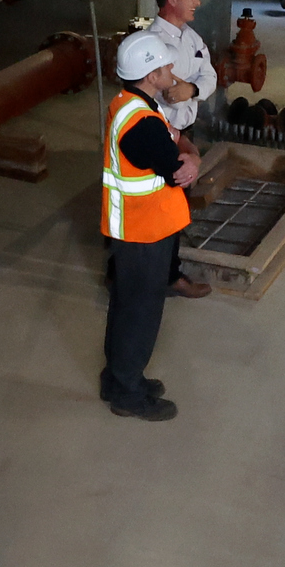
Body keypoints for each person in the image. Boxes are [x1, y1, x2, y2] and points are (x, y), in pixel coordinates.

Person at [99, 31, 198, 423]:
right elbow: (179, 172)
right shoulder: (141, 124)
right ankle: (128, 392)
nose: (171, 70)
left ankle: (117, 378)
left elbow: (171, 142)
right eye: (166, 66)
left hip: (136, 229)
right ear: (151, 74)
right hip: (145, 232)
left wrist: (182, 147)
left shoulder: (130, 104)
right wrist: (194, 161)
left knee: (126, 306)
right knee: (140, 313)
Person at [149, 0, 219, 299]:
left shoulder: (190, 37)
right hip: (162, 133)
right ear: (172, 0)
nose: (198, 2)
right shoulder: (152, 43)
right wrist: (184, 88)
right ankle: (162, 276)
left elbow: (211, 77)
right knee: (161, 207)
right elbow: (162, 93)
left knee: (177, 206)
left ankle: (166, 271)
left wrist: (190, 88)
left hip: (183, 128)